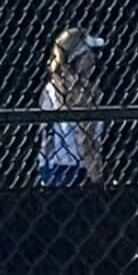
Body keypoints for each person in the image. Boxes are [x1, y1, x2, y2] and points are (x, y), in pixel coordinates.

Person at [37, 28, 107, 188]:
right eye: (90, 53)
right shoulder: (86, 93)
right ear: (78, 57)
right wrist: (98, 181)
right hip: (79, 173)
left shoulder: (50, 88)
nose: (94, 59)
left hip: (48, 172)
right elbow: (85, 142)